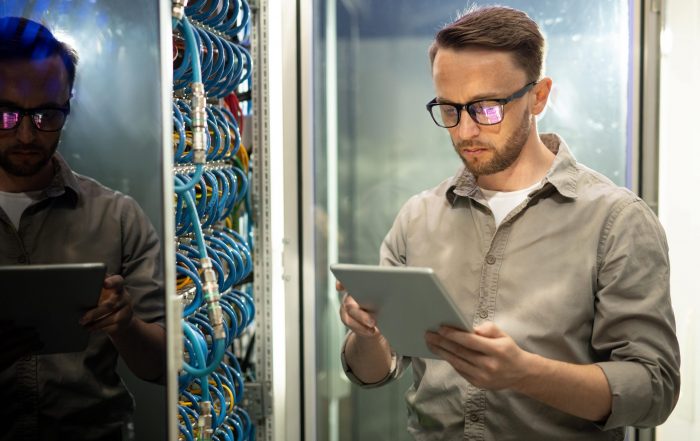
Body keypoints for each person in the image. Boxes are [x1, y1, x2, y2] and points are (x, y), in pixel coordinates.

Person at [338, 6, 680, 441]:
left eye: (486, 108)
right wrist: (366, 334)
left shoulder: (616, 221)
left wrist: (524, 373)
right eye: (449, 109)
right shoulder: (417, 217)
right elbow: (374, 373)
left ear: (538, 97)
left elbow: (654, 390)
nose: (464, 131)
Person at [0, 16, 165, 441]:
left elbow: (162, 367)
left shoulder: (118, 217)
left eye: (46, 115)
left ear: (68, 106)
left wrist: (125, 324)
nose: (25, 134)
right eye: (6, 114)